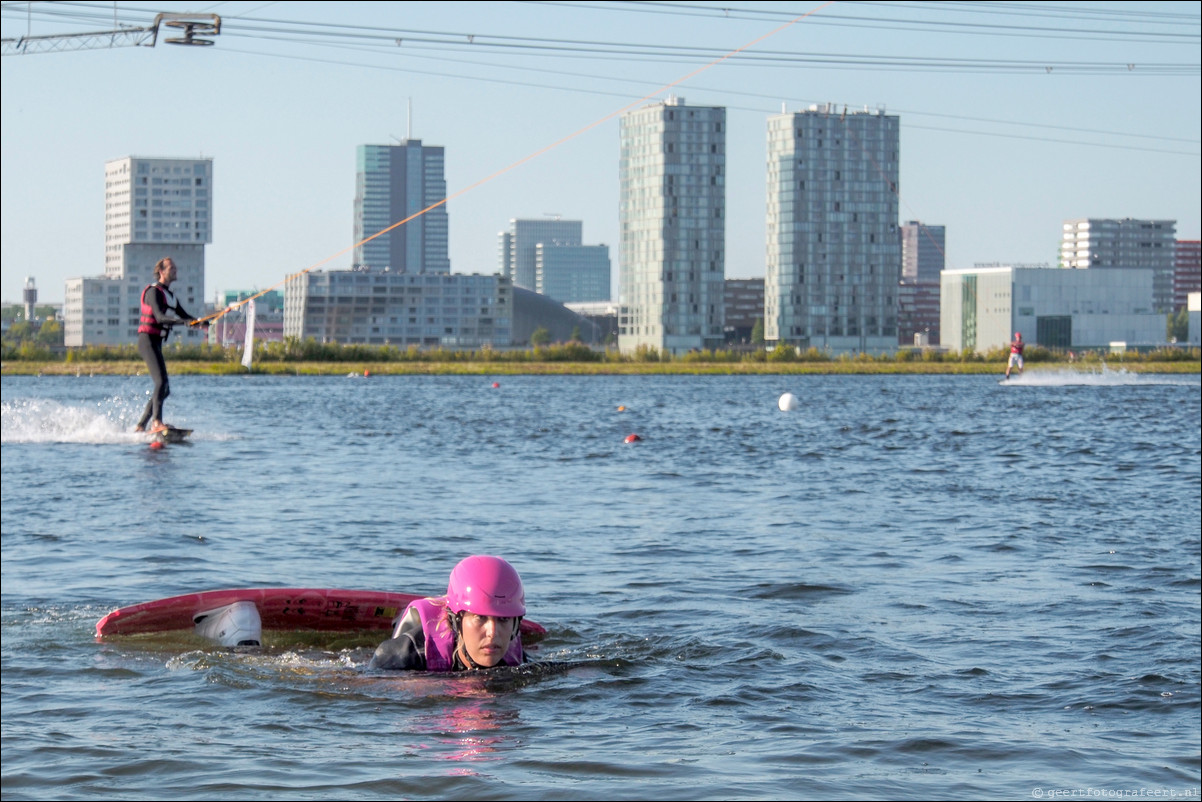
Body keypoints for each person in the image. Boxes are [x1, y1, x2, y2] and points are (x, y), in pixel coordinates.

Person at [370, 555, 528, 671]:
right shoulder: (404, 657)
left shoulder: (520, 661)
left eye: (504, 619)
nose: (492, 633)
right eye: (480, 617)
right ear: (455, 620)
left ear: (515, 626)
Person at [134, 257, 207, 434]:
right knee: (161, 383)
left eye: (175, 268)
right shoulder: (153, 292)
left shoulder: (170, 296)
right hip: (147, 341)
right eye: (172, 268)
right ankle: (157, 422)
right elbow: (159, 317)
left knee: (164, 389)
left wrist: (203, 322)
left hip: (156, 342)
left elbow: (186, 316)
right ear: (162, 271)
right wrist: (185, 322)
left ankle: (140, 426)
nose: (175, 271)